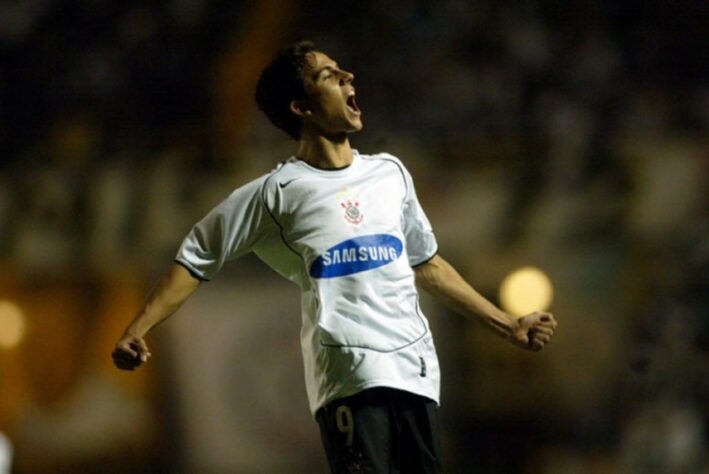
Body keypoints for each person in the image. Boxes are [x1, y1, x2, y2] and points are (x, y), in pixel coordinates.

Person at [112, 40, 557, 473]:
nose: (347, 77)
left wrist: (508, 324)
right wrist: (137, 328)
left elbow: (430, 266)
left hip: (414, 372)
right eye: (328, 75)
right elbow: (194, 260)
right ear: (301, 108)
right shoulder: (275, 193)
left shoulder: (390, 173)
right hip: (350, 379)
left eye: (343, 70)